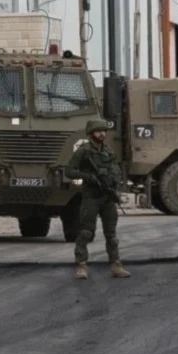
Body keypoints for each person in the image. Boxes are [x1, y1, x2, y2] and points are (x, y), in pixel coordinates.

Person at [65, 119, 131, 280]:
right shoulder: (84, 151)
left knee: (111, 234)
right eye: (98, 131)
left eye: (104, 131)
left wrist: (114, 185)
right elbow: (69, 171)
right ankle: (81, 265)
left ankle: (116, 264)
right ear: (91, 133)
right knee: (86, 232)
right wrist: (88, 177)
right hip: (91, 197)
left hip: (107, 197)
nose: (102, 133)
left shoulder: (108, 151)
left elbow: (115, 171)